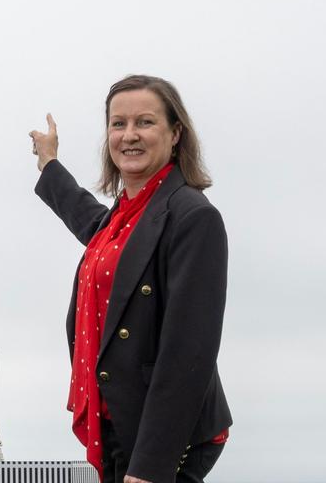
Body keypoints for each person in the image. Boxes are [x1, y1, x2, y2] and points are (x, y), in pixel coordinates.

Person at [29, 75, 231, 483]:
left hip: (164, 437)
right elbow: (86, 216)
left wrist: (150, 466)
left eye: (145, 122)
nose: (129, 135)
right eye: (118, 124)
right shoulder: (121, 220)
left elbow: (188, 352)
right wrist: (49, 164)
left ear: (175, 133)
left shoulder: (194, 218)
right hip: (121, 422)